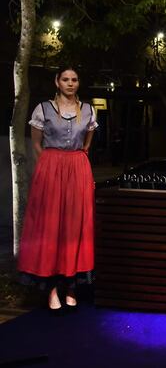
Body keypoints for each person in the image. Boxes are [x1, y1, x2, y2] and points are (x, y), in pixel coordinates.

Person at [17, 66, 97, 314]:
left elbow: (86, 145)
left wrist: (75, 164)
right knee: (51, 226)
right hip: (50, 167)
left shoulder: (89, 110)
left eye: (74, 79)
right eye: (65, 79)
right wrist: (50, 167)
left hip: (78, 167)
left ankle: (72, 286)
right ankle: (51, 288)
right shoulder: (43, 109)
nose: (70, 83)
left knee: (75, 226)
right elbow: (37, 145)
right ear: (57, 81)